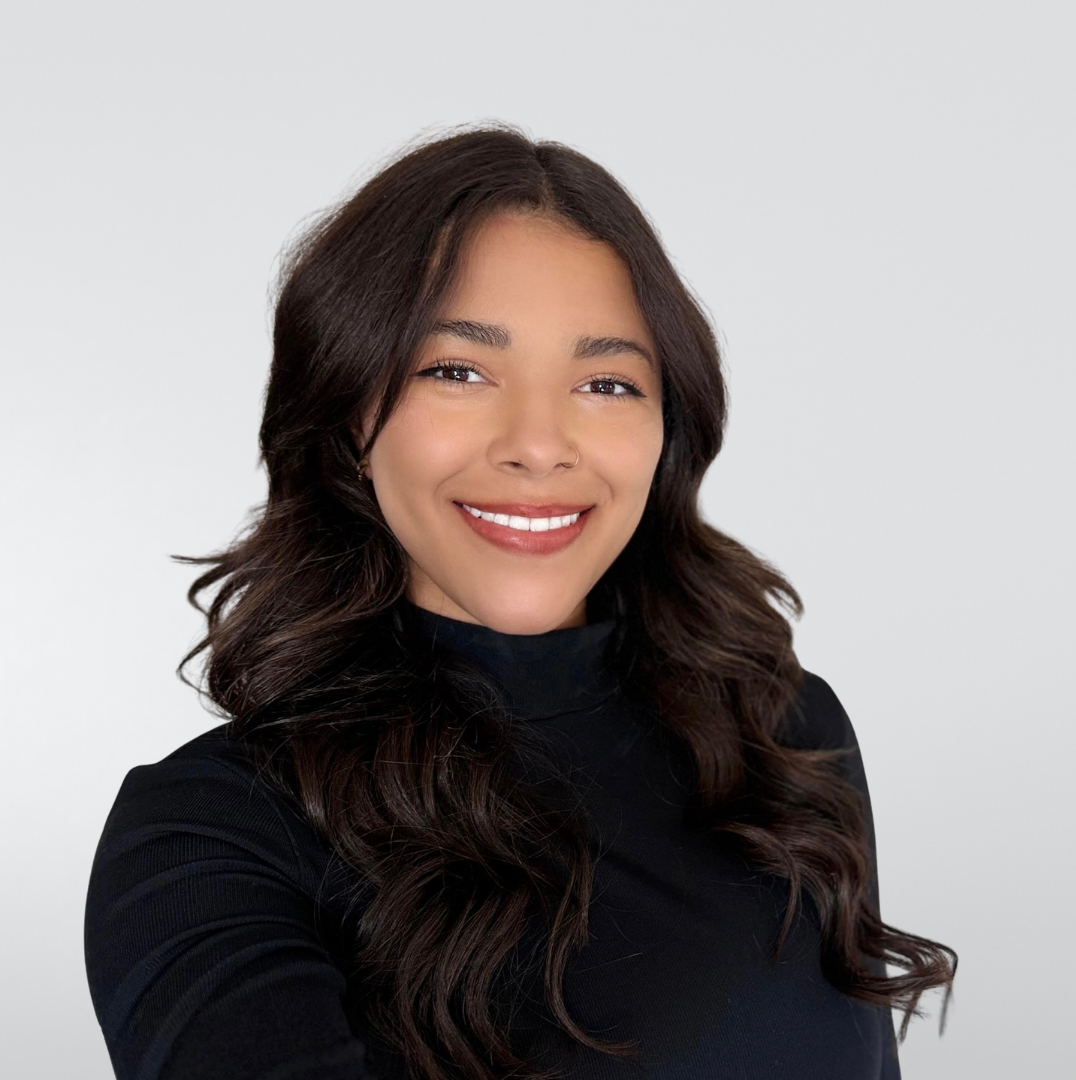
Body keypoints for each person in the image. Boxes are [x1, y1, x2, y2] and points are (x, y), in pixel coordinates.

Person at [84, 125, 956, 1080]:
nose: (539, 443)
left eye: (605, 381)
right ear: (348, 411)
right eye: (457, 370)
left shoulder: (782, 738)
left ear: (667, 430)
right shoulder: (209, 833)